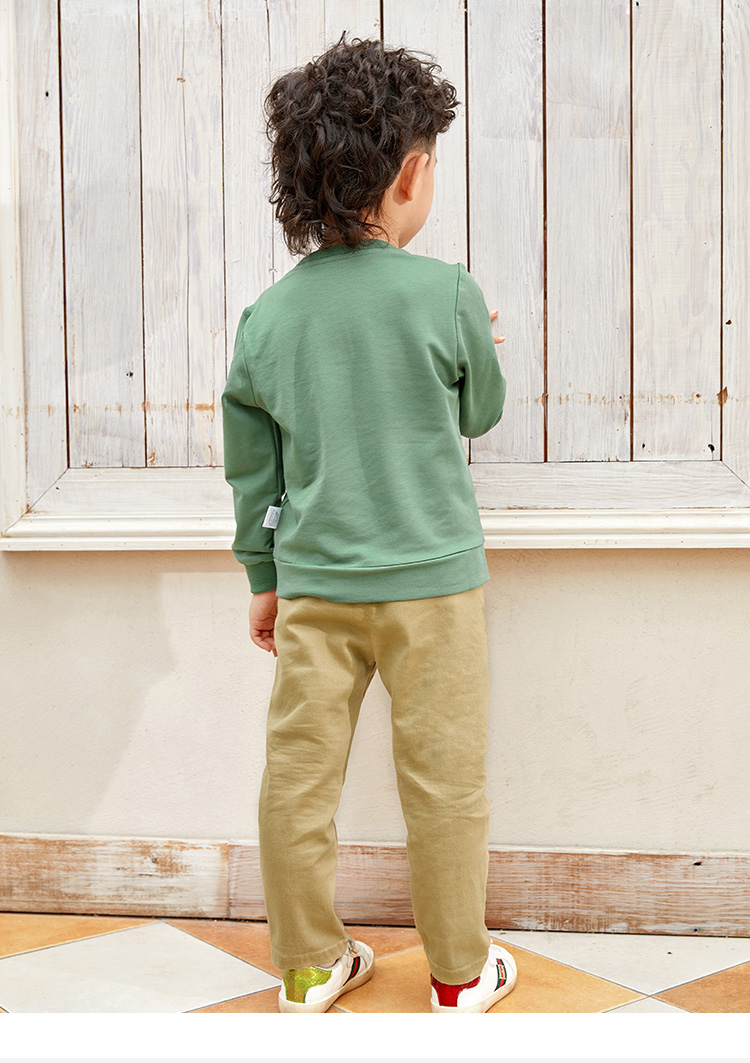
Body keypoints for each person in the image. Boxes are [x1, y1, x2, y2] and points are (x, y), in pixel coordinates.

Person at [221, 30, 517, 1014]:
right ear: (411, 175)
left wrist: (262, 577)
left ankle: (309, 966)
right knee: (445, 781)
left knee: (298, 778)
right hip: (435, 587)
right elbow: (479, 413)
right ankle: (459, 973)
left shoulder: (267, 319)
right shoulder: (449, 294)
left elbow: (253, 468)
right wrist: (477, 348)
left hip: (314, 586)